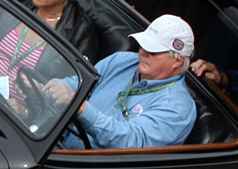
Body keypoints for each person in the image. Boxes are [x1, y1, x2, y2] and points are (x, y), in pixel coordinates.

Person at [49, 14, 198, 149]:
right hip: (58, 143)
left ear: (178, 61)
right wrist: (48, 88)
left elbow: (129, 142)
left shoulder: (177, 109)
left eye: (152, 51)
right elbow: (78, 83)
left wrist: (82, 108)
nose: (142, 52)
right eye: (143, 44)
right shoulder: (121, 61)